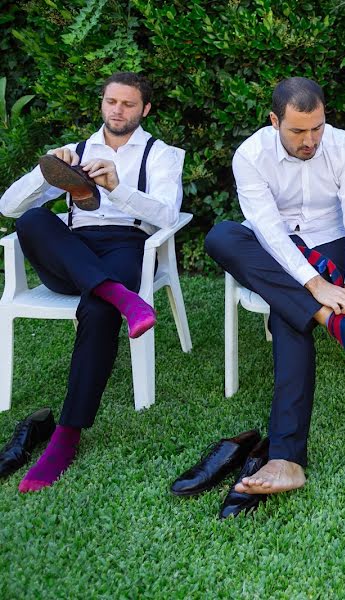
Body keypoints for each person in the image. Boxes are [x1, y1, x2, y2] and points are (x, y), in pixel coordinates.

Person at [0, 72, 184, 492]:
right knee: (32, 220)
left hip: (125, 245)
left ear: (145, 109)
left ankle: (66, 436)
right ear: (101, 103)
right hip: (71, 249)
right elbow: (8, 208)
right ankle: (124, 298)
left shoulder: (160, 155)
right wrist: (44, 173)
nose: (117, 110)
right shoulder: (75, 151)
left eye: (128, 104)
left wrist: (117, 188)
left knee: (99, 311)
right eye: (111, 102)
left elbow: (168, 216)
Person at [202, 77, 345, 517]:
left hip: (329, 241)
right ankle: (321, 314)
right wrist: (316, 289)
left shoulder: (343, 147)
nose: (310, 140)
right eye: (298, 131)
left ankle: (288, 458)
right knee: (222, 235)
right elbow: (269, 231)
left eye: (316, 127)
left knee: (285, 312)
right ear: (274, 120)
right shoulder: (252, 155)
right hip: (277, 246)